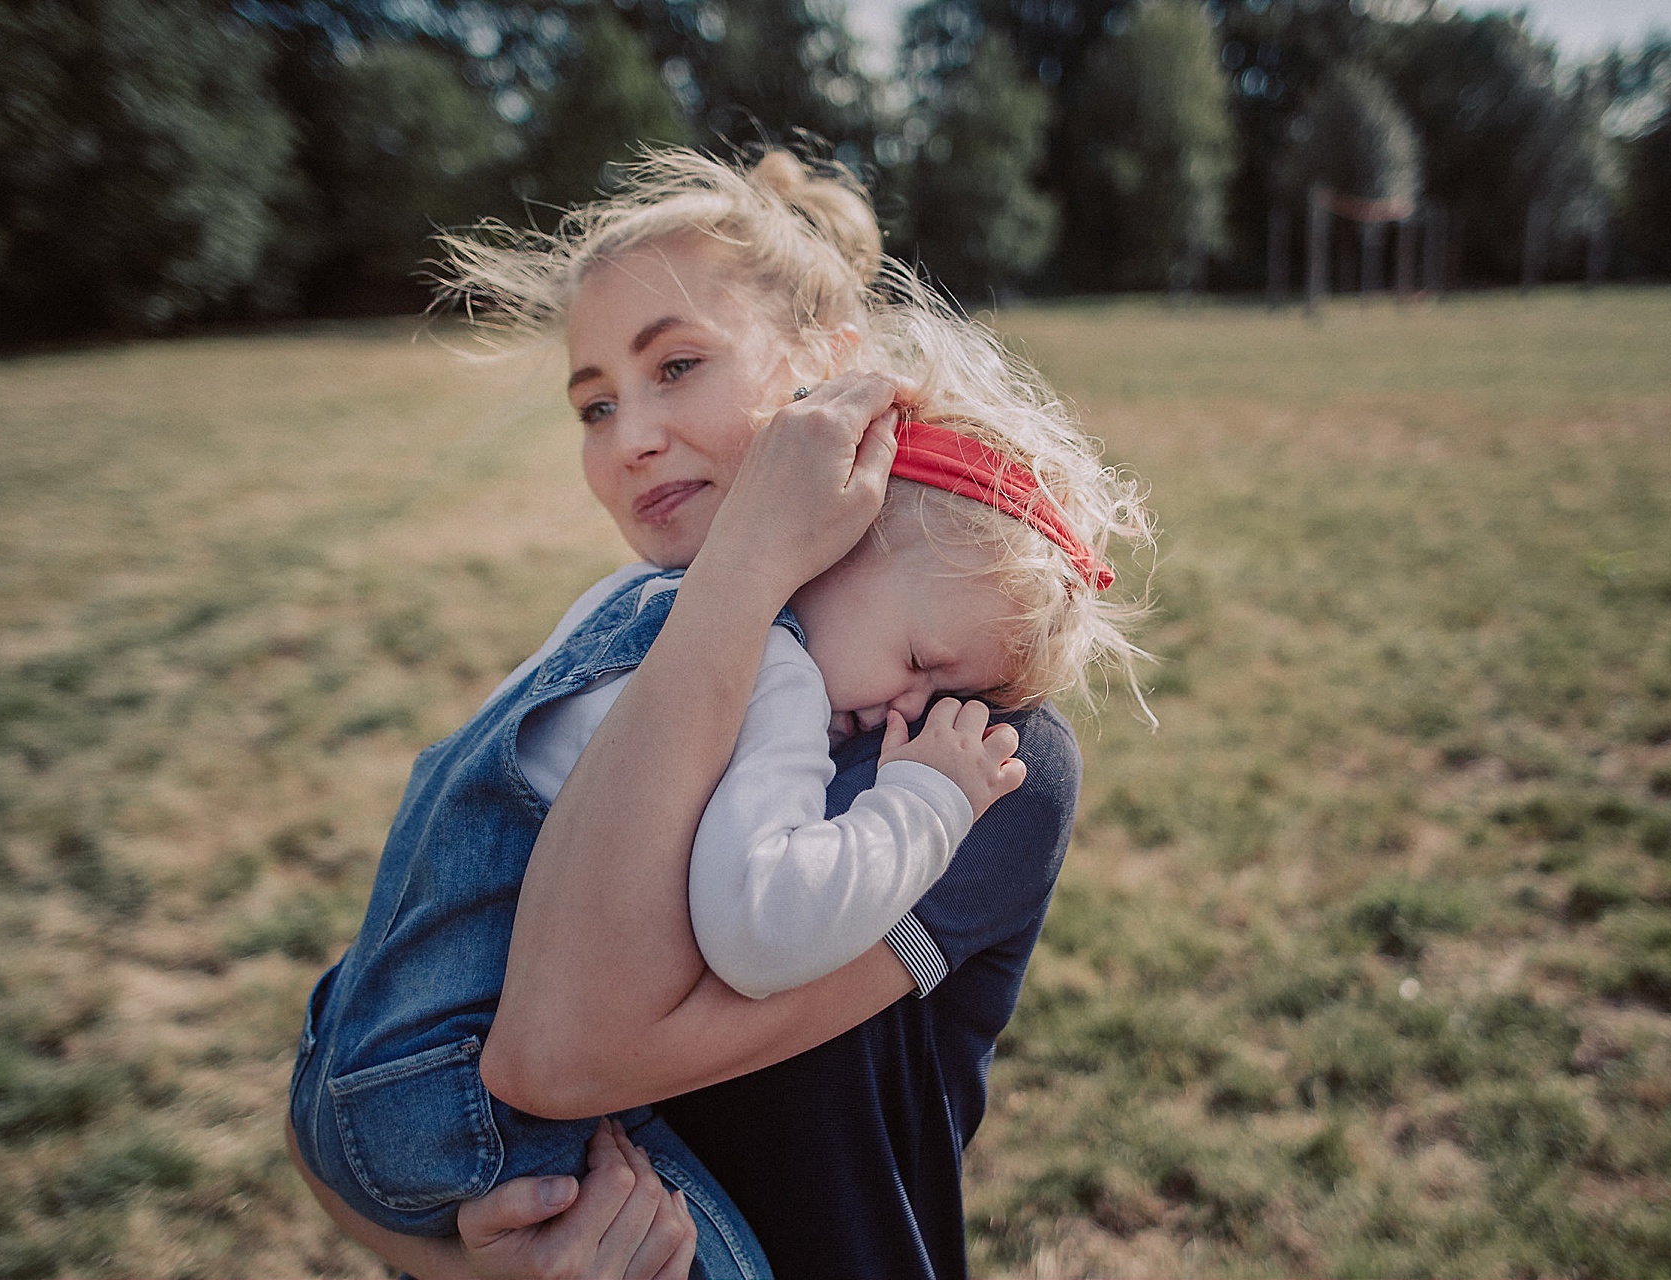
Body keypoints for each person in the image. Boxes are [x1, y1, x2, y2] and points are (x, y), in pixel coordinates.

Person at [288, 147, 1150, 1279]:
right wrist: (472, 1266)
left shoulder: (977, 756)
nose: (628, 436)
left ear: (829, 378)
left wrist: (744, 573)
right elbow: (362, 1041)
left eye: (677, 366)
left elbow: (555, 1055)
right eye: (594, 404)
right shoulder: (627, 657)